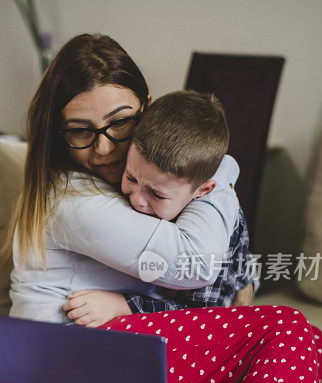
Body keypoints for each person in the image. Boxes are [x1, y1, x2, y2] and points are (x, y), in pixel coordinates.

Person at [6, 33, 322, 383]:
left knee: (298, 347)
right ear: (56, 132)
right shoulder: (70, 199)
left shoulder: (129, 179)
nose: (106, 147)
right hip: (69, 375)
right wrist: (217, 166)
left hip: (103, 364)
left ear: (149, 112)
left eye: (120, 123)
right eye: (81, 132)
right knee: (285, 331)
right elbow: (195, 263)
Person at [63, 89, 259, 327]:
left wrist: (124, 305)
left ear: (203, 191)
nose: (137, 199)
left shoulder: (213, 233)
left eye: (156, 194)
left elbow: (201, 315)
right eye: (131, 178)